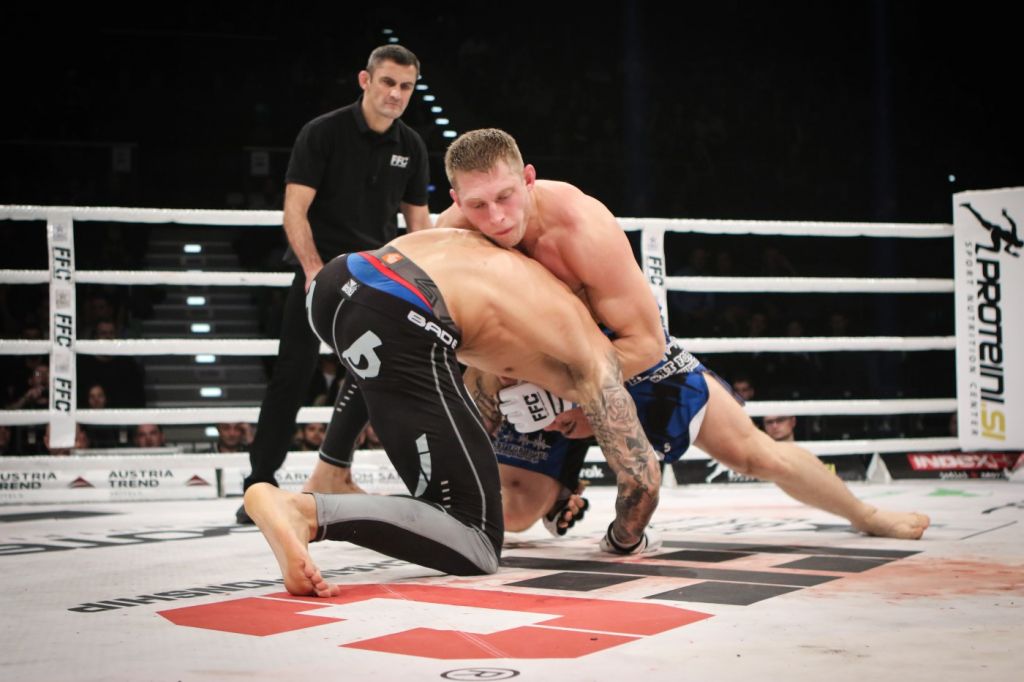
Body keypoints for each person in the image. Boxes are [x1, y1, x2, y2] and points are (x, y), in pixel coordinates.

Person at [430, 128, 928, 541]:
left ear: (528, 179)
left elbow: (645, 344)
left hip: (622, 355)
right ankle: (548, 488)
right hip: (536, 366)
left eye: (505, 196)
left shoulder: (581, 228)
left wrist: (582, 401)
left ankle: (866, 515)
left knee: (752, 452)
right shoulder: (449, 238)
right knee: (514, 513)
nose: (495, 218)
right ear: (456, 201)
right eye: (478, 205)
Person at [244, 228, 661, 597]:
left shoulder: (513, 271)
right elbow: (643, 481)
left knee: (389, 357)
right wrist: (621, 540)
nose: (557, 427)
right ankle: (305, 513)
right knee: (476, 538)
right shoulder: (595, 363)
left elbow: (469, 417)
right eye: (566, 424)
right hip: (401, 311)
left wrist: (554, 489)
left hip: (339, 280)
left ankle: (331, 470)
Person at [237, 43, 432, 524]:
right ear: (365, 80)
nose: (396, 94)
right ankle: (258, 486)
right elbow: (294, 210)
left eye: (406, 86)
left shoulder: (411, 146)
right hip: (320, 273)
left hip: (377, 278)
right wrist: (313, 270)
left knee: (377, 377)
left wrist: (426, 285)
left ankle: (341, 472)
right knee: (292, 375)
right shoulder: (323, 132)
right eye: (388, 82)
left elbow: (420, 227)